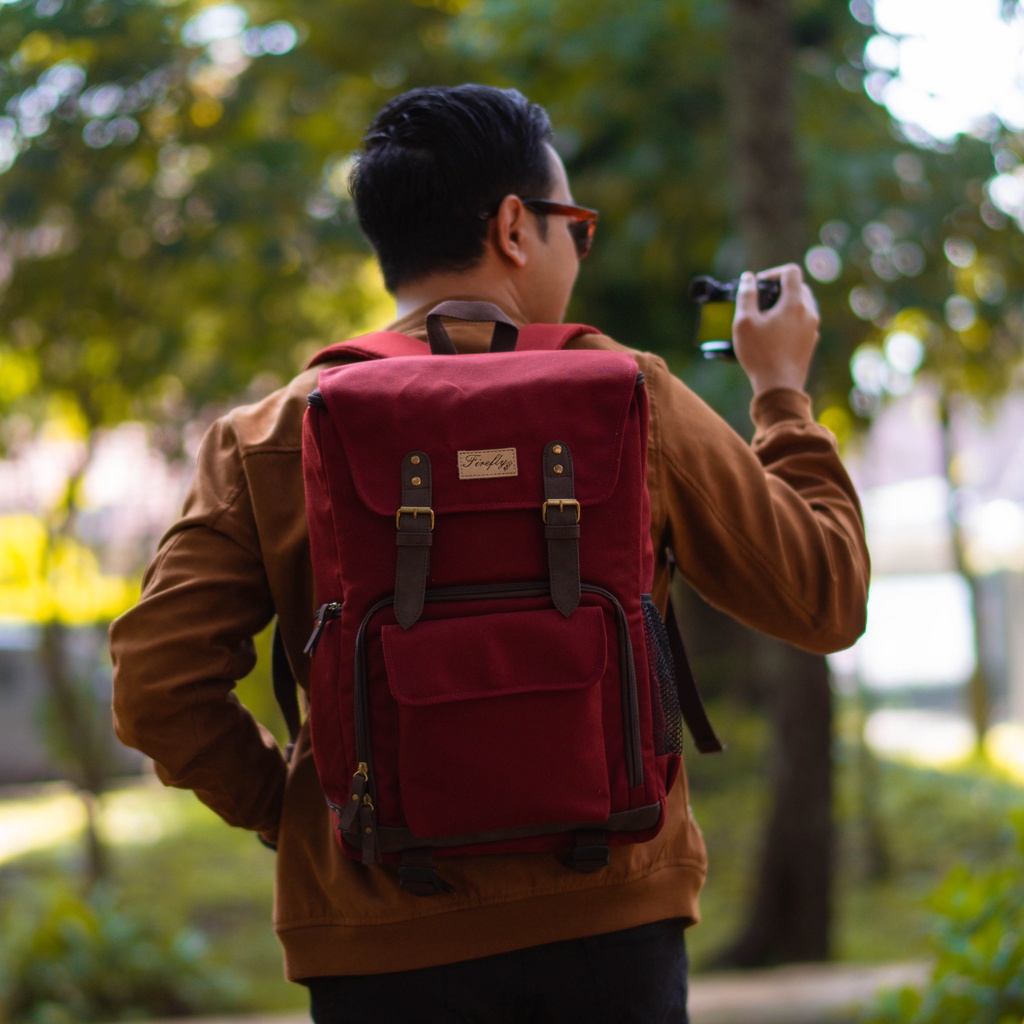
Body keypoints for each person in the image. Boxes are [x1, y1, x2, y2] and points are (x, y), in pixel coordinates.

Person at [110, 84, 870, 1023]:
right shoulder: (633, 395)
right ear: (516, 226)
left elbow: (154, 687)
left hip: (380, 942)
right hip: (610, 929)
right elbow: (826, 596)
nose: (579, 252)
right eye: (574, 228)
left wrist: (302, 814)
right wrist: (782, 396)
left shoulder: (270, 435)